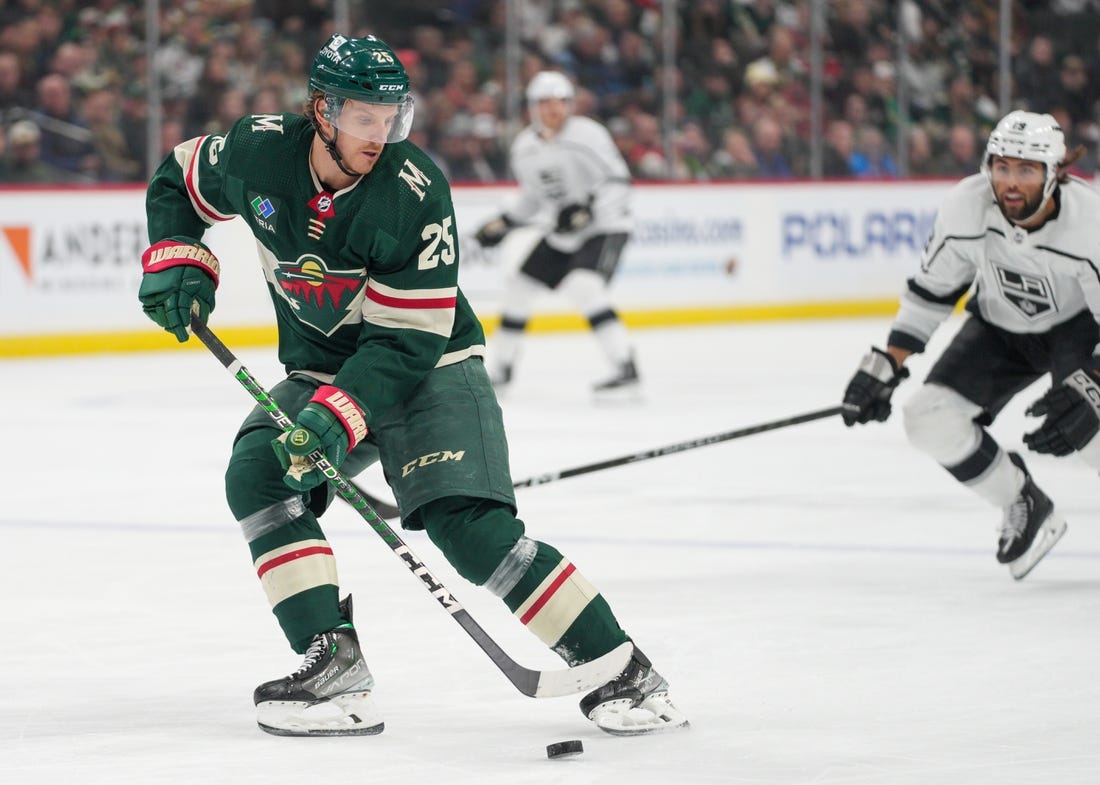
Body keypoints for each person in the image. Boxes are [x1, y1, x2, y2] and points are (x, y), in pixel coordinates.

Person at [137, 34, 687, 738]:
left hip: (432, 366)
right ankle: (332, 661)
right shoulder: (257, 150)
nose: (381, 132)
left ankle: (621, 669)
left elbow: (406, 340)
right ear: (322, 112)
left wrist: (339, 417)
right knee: (259, 474)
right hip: (326, 364)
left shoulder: (413, 192)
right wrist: (178, 256)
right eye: (364, 117)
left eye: (391, 115)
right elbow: (179, 177)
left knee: (471, 531)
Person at [840, 110, 1100, 581]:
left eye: (1025, 169)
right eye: (1001, 167)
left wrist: (1094, 384)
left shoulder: (1091, 223)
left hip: (1079, 330)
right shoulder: (967, 205)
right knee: (927, 418)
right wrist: (885, 366)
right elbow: (933, 290)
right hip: (1000, 328)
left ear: (1054, 173)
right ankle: (1021, 499)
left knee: (1093, 433)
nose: (1011, 182)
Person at [474, 70, 640, 394]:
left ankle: (625, 365)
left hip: (606, 226)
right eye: (546, 103)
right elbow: (534, 198)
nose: (554, 109)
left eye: (561, 102)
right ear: (533, 107)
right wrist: (505, 222)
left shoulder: (588, 135)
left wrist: (588, 210)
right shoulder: (524, 148)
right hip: (564, 233)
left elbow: (618, 181)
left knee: (583, 286)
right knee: (520, 288)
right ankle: (502, 369)